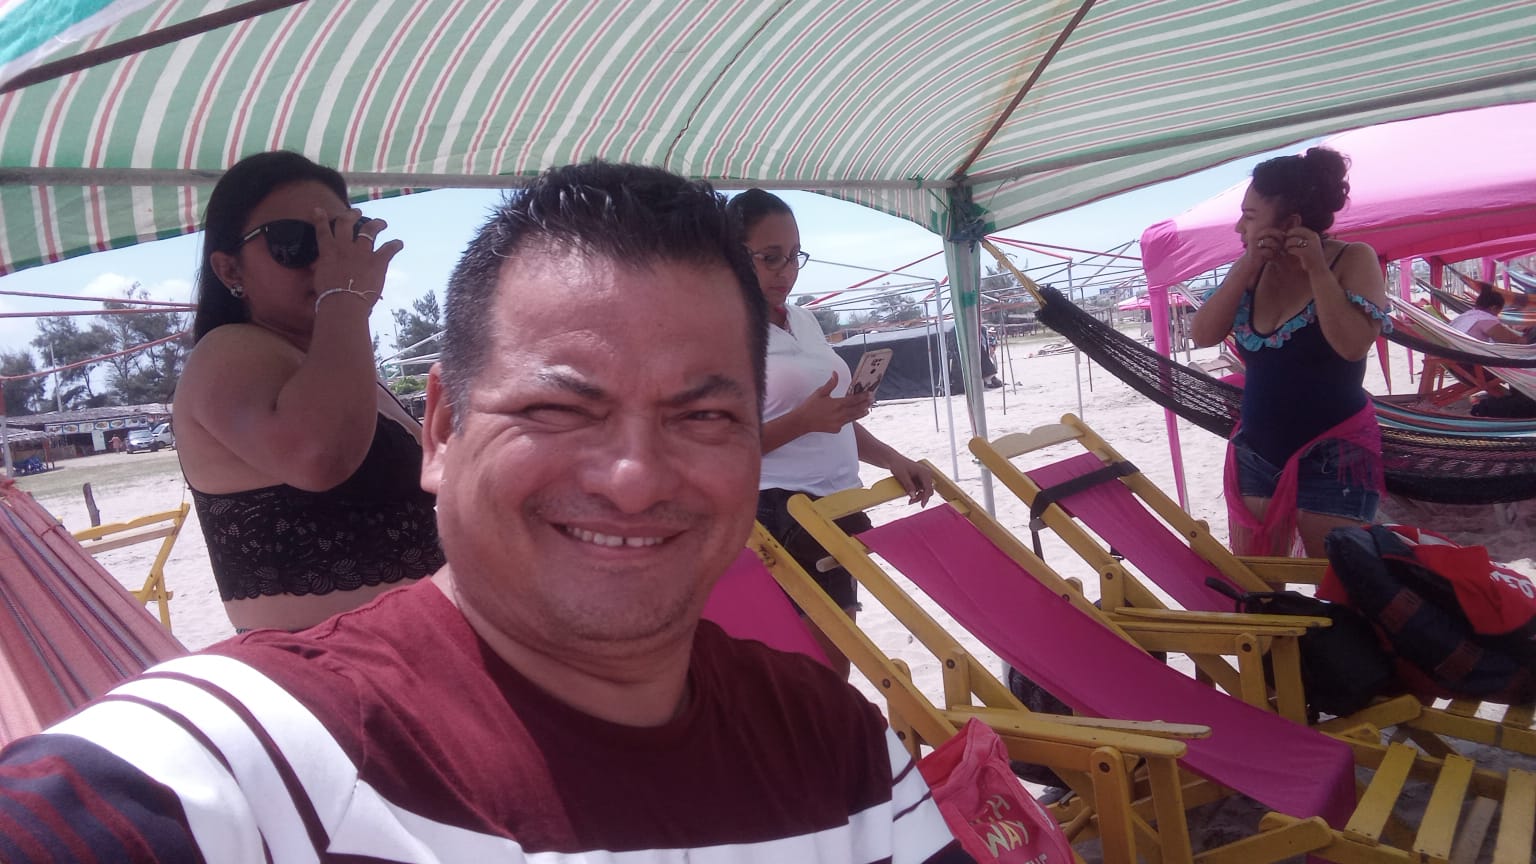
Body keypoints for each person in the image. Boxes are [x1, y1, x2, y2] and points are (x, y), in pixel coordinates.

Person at [0, 162, 964, 863]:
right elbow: (319, 456)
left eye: (704, 414)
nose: (634, 476)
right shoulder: (256, 759)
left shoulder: (836, 745)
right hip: (359, 681)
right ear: (444, 431)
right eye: (557, 408)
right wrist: (345, 296)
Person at [173, 151, 444, 632]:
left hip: (416, 649)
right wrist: (344, 297)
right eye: (294, 241)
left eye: (340, 236)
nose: (327, 258)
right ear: (230, 270)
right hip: (327, 665)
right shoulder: (226, 352)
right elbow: (319, 456)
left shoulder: (331, 365)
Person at [728, 189, 935, 679]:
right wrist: (805, 420)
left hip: (837, 504)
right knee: (815, 673)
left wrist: (893, 459)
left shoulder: (803, 319)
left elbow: (832, 420)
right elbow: (718, 448)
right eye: (770, 257)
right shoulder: (722, 331)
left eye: (794, 256)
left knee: (831, 670)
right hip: (778, 510)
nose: (786, 271)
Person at [1191, 147, 1389, 558]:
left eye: (1249, 216)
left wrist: (1316, 270)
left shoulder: (1353, 259)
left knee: (1338, 580)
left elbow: (1352, 345)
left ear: (1291, 223)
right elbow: (1203, 334)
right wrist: (1247, 266)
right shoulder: (1253, 269)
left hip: (1335, 454)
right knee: (1261, 584)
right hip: (1256, 452)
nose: (1238, 227)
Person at [1449, 282, 1531, 343]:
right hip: (1470, 357)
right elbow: (1514, 341)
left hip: (1455, 352)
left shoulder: (1466, 315)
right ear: (1494, 308)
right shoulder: (1486, 320)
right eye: (1499, 310)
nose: (1498, 314)